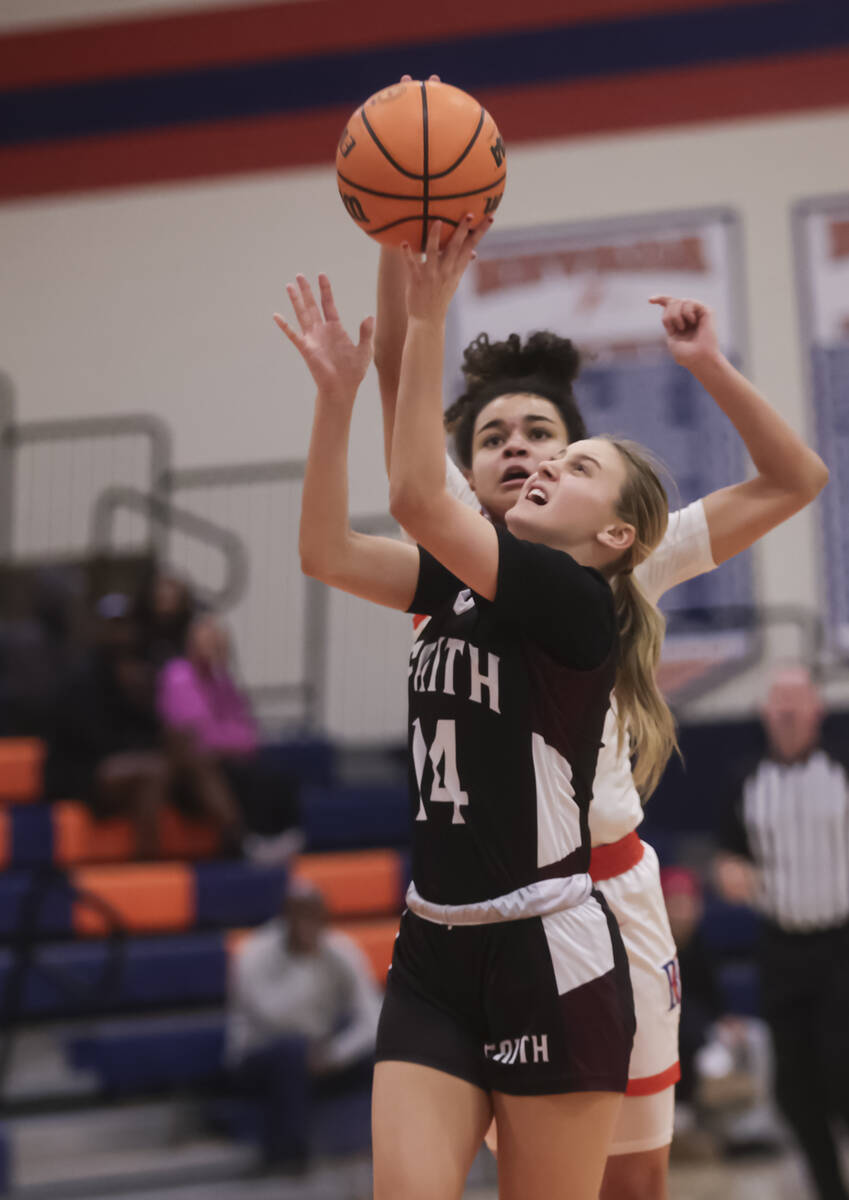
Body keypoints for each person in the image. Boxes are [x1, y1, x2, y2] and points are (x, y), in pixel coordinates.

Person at [372, 233, 828, 1198]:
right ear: (468, 468)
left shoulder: (619, 564)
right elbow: (393, 384)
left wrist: (706, 363)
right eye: (492, 436)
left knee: (632, 1188)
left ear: (587, 476)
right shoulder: (450, 561)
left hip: (602, 899)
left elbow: (795, 480)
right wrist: (396, 236)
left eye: (542, 434)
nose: (518, 449)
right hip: (483, 915)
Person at [277, 219, 676, 1200]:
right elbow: (327, 550)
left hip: (551, 949)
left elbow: (416, 488)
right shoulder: (455, 584)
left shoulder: (575, 600)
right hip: (433, 949)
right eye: (509, 446)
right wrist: (338, 392)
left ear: (617, 535)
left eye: (571, 461)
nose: (539, 464)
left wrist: (435, 304)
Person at [715, 664, 849, 1200]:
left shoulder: (842, 770)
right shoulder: (745, 781)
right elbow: (729, 856)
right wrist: (728, 872)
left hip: (842, 945)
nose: (789, 711)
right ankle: (828, 1188)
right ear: (765, 712)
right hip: (781, 947)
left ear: (818, 709)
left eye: (798, 700)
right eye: (779, 701)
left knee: (841, 1074)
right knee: (794, 1091)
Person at [226, 881, 381, 1166]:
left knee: (389, 1056)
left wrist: (334, 1054)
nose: (307, 925)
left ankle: (384, 1147)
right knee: (291, 1052)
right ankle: (287, 1161)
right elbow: (272, 1017)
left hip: (318, 1054)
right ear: (284, 917)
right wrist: (305, 962)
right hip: (257, 1055)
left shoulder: (341, 951)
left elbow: (374, 1019)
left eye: (315, 917)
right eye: (300, 916)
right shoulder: (253, 953)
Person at [158, 613, 301, 859]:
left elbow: (248, 732)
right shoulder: (178, 675)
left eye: (217, 641)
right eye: (207, 640)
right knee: (237, 775)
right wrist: (231, 740)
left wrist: (221, 671)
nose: (213, 646)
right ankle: (247, 840)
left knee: (278, 773)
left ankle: (281, 836)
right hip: (191, 766)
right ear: (191, 643)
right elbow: (198, 734)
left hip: (228, 758)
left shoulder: (221, 679)